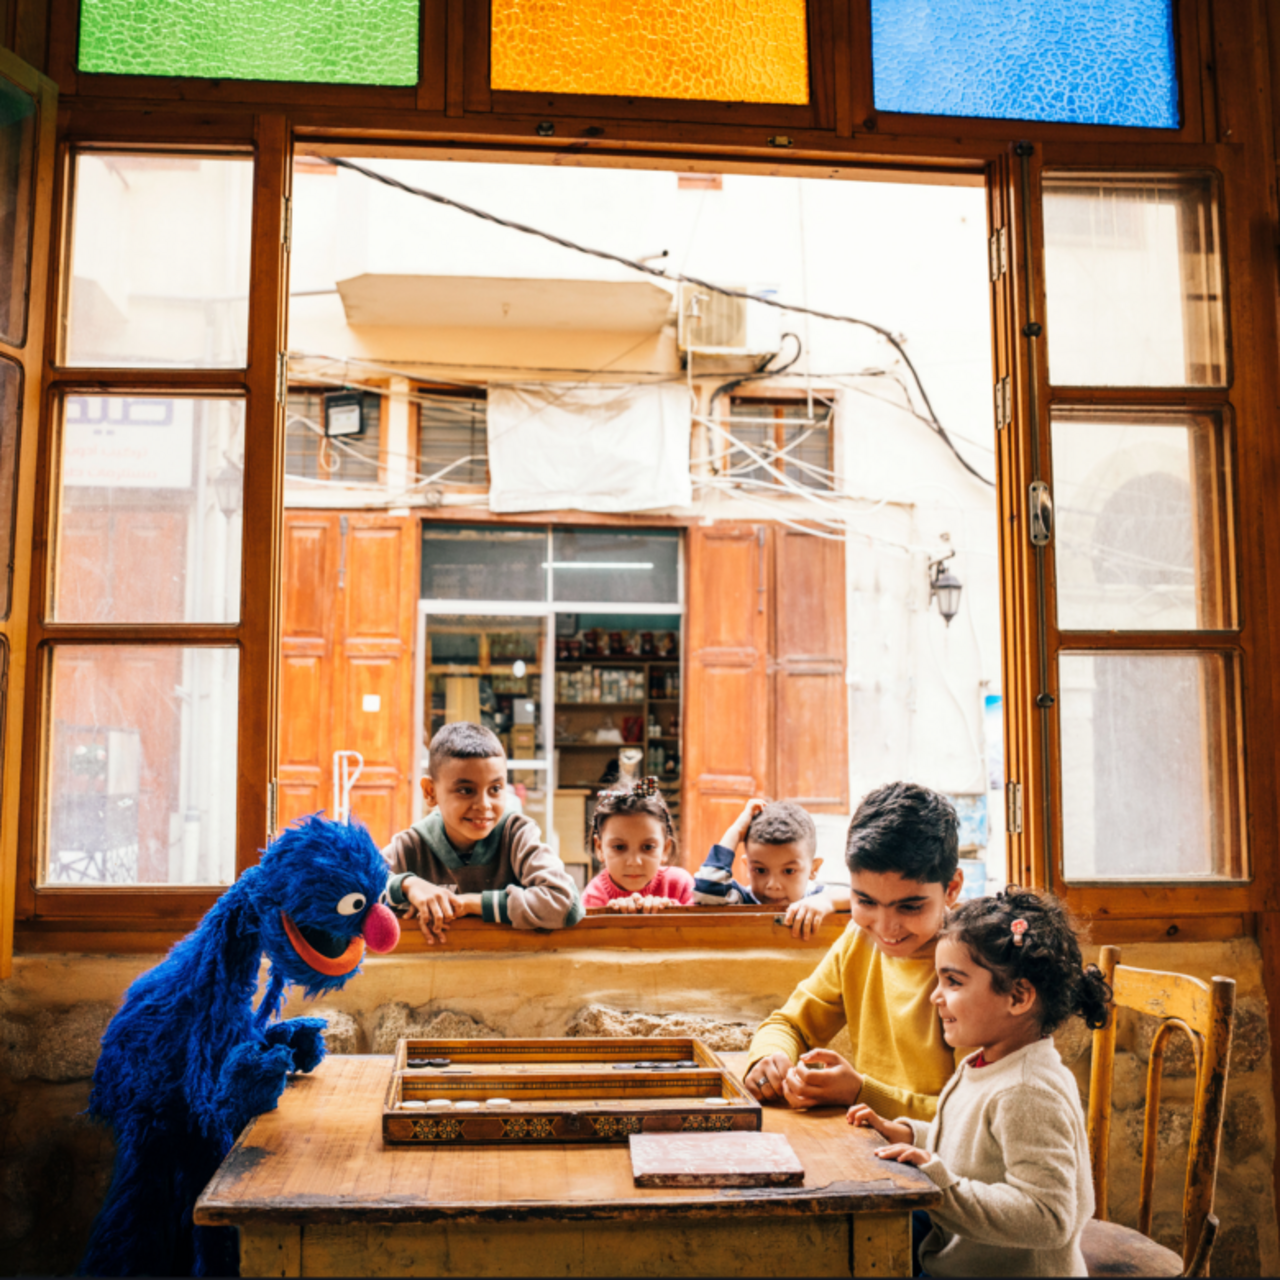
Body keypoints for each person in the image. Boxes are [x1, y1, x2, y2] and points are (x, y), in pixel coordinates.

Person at [849, 887, 1110, 1278]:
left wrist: (944, 1188)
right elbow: (974, 1152)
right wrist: (909, 1136)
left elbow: (1048, 1216)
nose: (936, 996)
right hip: (959, 1252)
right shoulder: (990, 1062)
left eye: (953, 982)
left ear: (1018, 996)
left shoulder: (1027, 1090)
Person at [744, 782, 964, 1120]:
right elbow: (789, 1025)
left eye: (909, 907)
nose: (886, 928)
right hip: (869, 1148)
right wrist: (771, 1058)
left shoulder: (978, 965)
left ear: (951, 889)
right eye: (865, 901)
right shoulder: (859, 940)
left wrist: (861, 1093)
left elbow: (977, 1118)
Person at [383, 722, 583, 942]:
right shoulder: (412, 845)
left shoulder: (517, 835)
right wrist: (408, 885)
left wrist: (469, 903)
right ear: (431, 792)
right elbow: (349, 889)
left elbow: (567, 904)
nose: (484, 805)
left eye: (495, 789)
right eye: (466, 790)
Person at [692, 798, 850, 938]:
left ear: (813, 869)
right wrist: (736, 831)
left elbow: (861, 898)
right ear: (748, 867)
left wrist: (829, 901)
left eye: (789, 871)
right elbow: (707, 889)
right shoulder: (740, 900)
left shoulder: (817, 899)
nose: (773, 885)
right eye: (760, 870)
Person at [581, 778, 694, 911]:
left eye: (648, 847)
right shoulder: (594, 895)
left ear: (665, 848)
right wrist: (611, 918)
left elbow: (703, 929)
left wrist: (670, 912)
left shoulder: (681, 885)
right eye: (619, 847)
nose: (634, 862)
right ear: (599, 848)